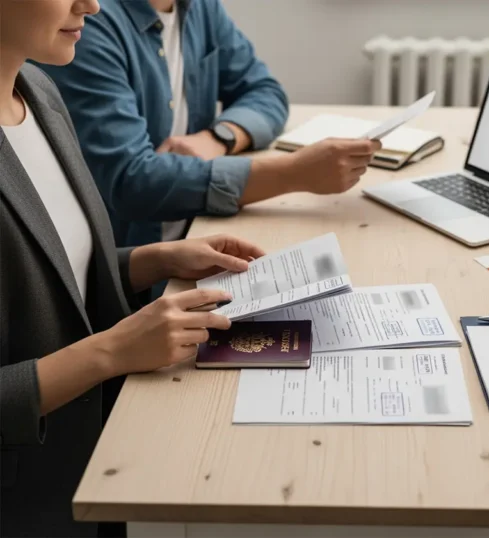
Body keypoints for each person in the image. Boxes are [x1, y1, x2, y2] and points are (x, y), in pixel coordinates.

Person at [0, 0, 271, 535]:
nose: (92, 4)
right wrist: (111, 350)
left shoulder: (37, 92)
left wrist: (152, 260)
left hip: (94, 453)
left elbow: (47, 273)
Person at [40, 0, 381, 252]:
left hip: (199, 231)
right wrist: (292, 174)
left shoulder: (200, 7)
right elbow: (133, 183)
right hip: (139, 264)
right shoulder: (87, 22)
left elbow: (266, 92)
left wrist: (219, 137)